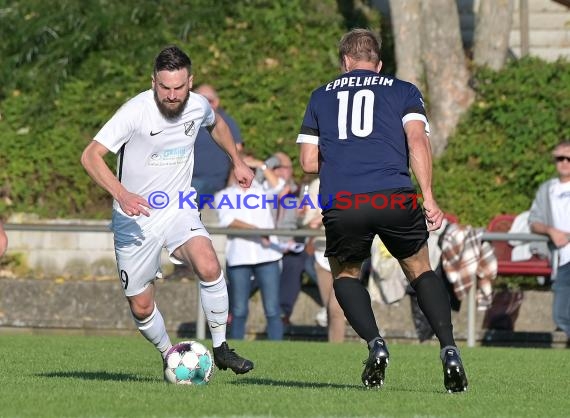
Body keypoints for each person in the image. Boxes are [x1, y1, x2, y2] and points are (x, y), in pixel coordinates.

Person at [296, 28, 468, 392]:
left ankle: (375, 343)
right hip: (393, 195)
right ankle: (449, 349)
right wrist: (430, 196)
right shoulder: (403, 90)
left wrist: (344, 155)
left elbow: (309, 161)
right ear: (379, 64)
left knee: (345, 275)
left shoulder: (319, 96)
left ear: (345, 61)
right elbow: (417, 141)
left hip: (343, 201)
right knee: (421, 269)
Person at [80, 45, 254, 377]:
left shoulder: (198, 105)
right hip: (135, 218)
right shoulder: (135, 111)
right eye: (165, 88)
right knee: (141, 305)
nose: (172, 95)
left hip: (177, 206)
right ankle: (167, 353)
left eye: (179, 87)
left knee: (208, 263)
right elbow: (90, 156)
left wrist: (238, 159)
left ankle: (221, 348)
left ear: (191, 81)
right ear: (153, 82)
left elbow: (216, 125)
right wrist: (121, 193)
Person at [215, 152, 284, 340]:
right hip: (239, 257)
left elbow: (279, 186)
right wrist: (258, 230)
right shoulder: (224, 195)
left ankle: (279, 350)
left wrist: (261, 164)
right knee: (238, 309)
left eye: (249, 169)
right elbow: (228, 221)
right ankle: (235, 349)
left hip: (267, 255)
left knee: (272, 309)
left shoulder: (261, 190)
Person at [529, 140, 570, 346]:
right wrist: (551, 231)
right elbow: (534, 221)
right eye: (559, 158)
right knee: (561, 314)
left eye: (568, 158)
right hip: (561, 258)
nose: (564, 162)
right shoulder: (547, 189)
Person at [302, 177, 346, 342]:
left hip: (346, 251)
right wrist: (313, 222)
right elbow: (308, 219)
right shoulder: (316, 185)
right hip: (322, 251)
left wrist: (324, 217)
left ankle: (338, 348)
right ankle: (333, 350)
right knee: (329, 308)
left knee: (336, 308)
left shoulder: (350, 180)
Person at [191, 84, 244, 199]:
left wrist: (232, 181)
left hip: (210, 181)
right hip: (183, 179)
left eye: (210, 100)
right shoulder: (186, 122)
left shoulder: (225, 123)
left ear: (217, 102)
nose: (207, 104)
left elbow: (238, 151)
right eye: (202, 100)